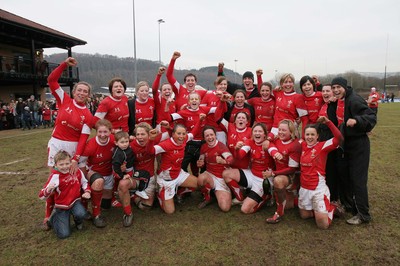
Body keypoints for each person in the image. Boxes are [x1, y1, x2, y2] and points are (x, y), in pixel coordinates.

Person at [44, 57, 93, 229]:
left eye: (85, 91)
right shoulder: (63, 100)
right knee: (54, 180)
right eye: (79, 90)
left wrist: (75, 158)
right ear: (74, 92)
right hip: (57, 144)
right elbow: (51, 80)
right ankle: (48, 216)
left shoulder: (87, 115)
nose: (81, 93)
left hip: (74, 147)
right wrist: (64, 65)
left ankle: (80, 213)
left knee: (76, 180)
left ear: (88, 95)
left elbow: (83, 138)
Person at [331, 77, 376, 225]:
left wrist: (357, 121)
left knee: (358, 180)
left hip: (358, 145)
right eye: (334, 87)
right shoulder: (339, 100)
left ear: (345, 87)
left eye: (338, 87)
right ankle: (350, 206)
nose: (336, 90)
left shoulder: (354, 100)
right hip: (345, 144)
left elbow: (371, 117)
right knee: (345, 176)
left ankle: (363, 214)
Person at [298, 116, 344, 229]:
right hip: (304, 188)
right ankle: (318, 210)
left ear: (317, 136)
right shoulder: (302, 145)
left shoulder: (322, 146)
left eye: (312, 134)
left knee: (323, 225)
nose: (309, 137)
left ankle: (332, 208)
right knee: (304, 216)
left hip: (317, 189)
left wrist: (328, 122)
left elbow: (339, 139)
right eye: (307, 134)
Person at [148, 121, 202, 214]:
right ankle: (160, 194)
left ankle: (180, 192)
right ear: (173, 134)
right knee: (170, 211)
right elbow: (151, 151)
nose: (181, 136)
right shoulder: (165, 145)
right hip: (166, 180)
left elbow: (193, 133)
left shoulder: (184, 140)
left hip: (178, 174)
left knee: (201, 184)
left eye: (183, 134)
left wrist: (200, 120)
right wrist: (150, 140)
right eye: (179, 133)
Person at [223, 123, 274, 214]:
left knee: (245, 210)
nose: (257, 133)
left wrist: (274, 152)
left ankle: (266, 196)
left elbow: (274, 151)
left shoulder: (268, 144)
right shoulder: (249, 142)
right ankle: (240, 197)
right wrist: (237, 149)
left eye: (260, 131)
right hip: (251, 174)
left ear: (265, 135)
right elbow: (240, 156)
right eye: (255, 131)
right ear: (252, 134)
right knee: (226, 174)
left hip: (263, 180)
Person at [39, 150, 91, 239]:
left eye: (67, 163)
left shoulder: (76, 171)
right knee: (64, 235)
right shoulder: (55, 176)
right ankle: (53, 219)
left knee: (82, 214)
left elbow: (84, 182)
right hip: (62, 206)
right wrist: (48, 190)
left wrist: (87, 191)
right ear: (55, 165)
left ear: (71, 162)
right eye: (61, 164)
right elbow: (41, 196)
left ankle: (78, 221)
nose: (65, 167)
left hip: (75, 202)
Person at [78, 119, 115, 228]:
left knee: (106, 206)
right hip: (94, 172)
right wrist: (85, 182)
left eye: (105, 132)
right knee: (98, 182)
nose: (102, 135)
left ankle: (92, 201)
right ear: (96, 132)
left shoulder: (114, 140)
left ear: (110, 132)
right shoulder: (90, 144)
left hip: (109, 173)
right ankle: (96, 215)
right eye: (100, 132)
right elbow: (82, 163)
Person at [265, 119, 302, 223]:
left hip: (290, 175)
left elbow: (292, 169)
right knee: (289, 206)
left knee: (278, 181)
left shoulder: (295, 145)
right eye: (279, 129)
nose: (280, 132)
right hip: (278, 172)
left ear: (291, 132)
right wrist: (274, 152)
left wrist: (273, 173)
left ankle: (279, 211)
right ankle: (287, 200)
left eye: (284, 130)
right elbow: (269, 143)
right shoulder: (277, 139)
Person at [197, 126, 234, 211]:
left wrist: (223, 161)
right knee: (201, 179)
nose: (210, 137)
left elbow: (231, 159)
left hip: (221, 177)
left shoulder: (221, 146)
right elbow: (201, 160)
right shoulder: (203, 147)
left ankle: (221, 193)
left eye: (211, 135)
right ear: (204, 138)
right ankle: (207, 197)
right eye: (207, 136)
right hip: (210, 174)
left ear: (215, 135)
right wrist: (200, 163)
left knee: (225, 208)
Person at [269, 73, 308, 138]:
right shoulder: (278, 93)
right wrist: (259, 76)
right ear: (281, 84)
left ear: (293, 83)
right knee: (267, 145)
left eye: (290, 82)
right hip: (275, 128)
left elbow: (305, 119)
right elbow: (262, 92)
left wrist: (303, 137)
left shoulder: (298, 97)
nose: (288, 84)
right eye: (285, 82)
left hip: (289, 130)